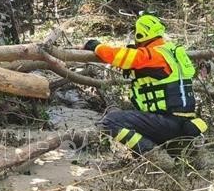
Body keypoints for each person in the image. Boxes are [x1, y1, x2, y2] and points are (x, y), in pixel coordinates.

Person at [83, 14, 207, 155]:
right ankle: (174, 149)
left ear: (141, 34)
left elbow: (116, 56)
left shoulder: (151, 56)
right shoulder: (174, 52)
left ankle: (153, 154)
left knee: (111, 121)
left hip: (167, 123)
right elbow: (157, 70)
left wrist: (96, 46)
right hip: (186, 122)